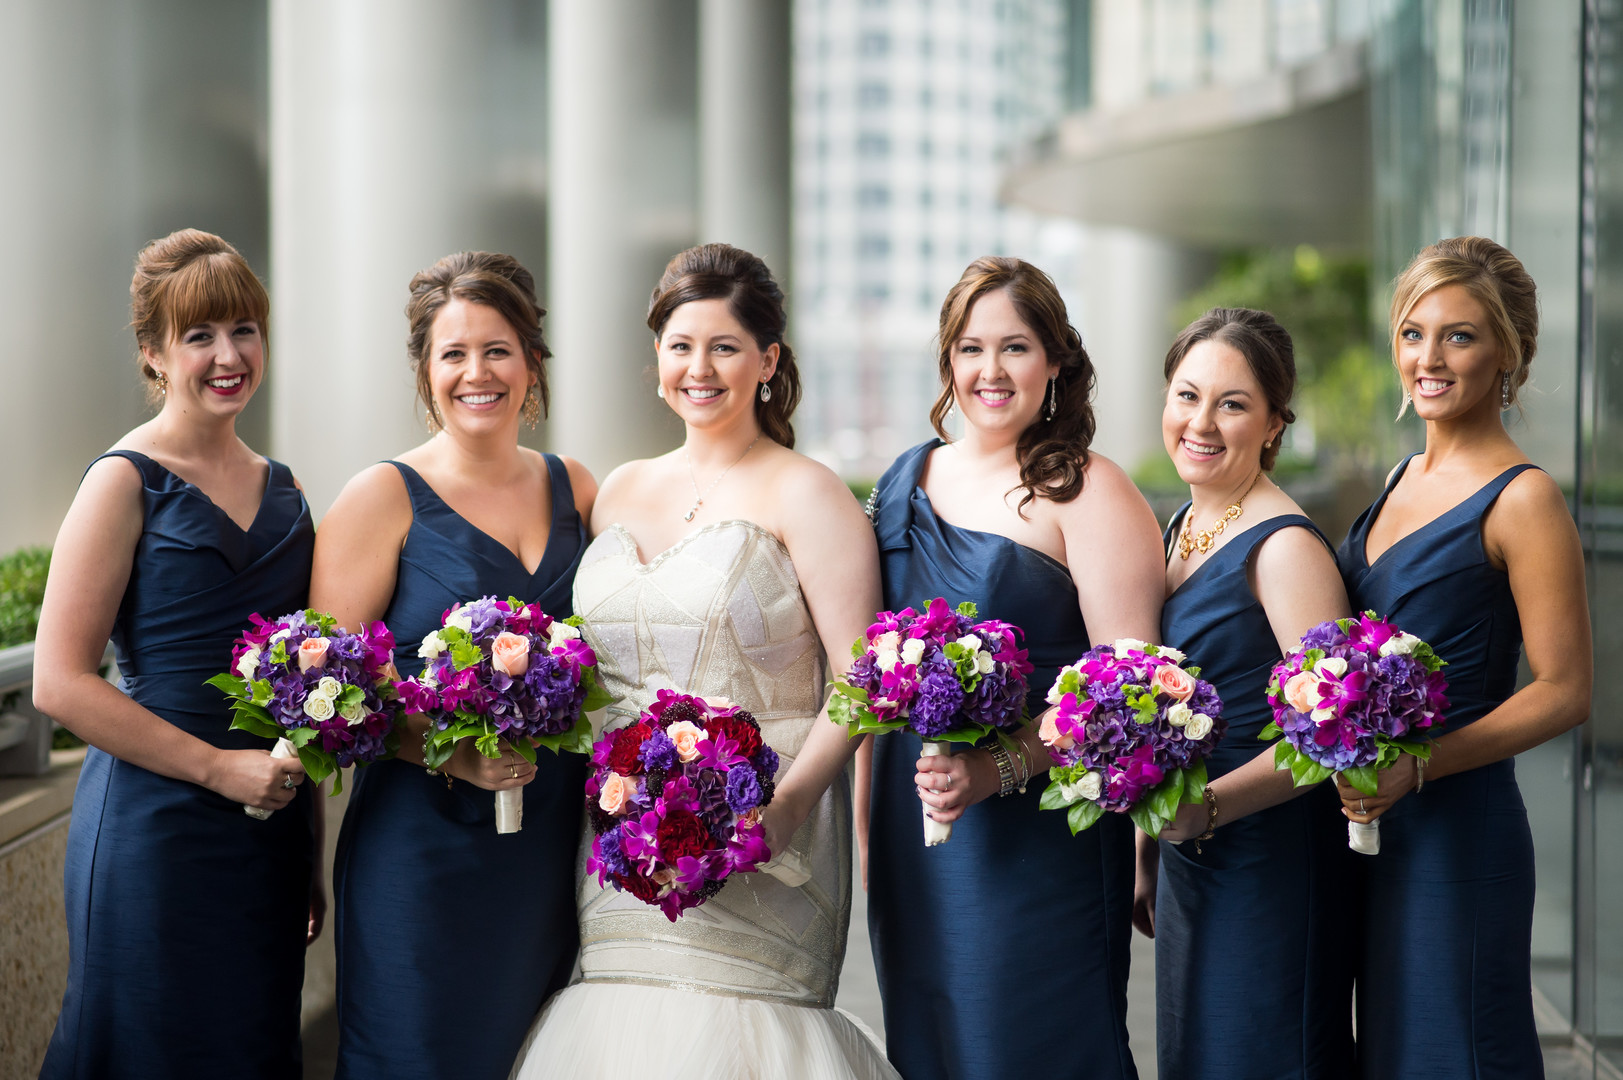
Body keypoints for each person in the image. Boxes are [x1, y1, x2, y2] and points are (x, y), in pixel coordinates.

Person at [510, 243, 898, 1080]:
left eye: (724, 347)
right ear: (656, 360)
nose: (700, 367)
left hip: (765, 841)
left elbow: (862, 680)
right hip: (618, 844)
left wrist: (789, 804)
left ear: (767, 361)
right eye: (681, 345)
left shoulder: (809, 492)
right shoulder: (616, 490)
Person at [864, 256, 1163, 1080]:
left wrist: (999, 767)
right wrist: (863, 825)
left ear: (1056, 362)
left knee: (1027, 1046)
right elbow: (864, 672)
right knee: (931, 1042)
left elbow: (1127, 692)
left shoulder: (1089, 490)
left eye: (1015, 348)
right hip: (911, 832)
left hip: (1041, 834)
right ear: (946, 361)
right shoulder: (903, 480)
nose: (989, 371)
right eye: (969, 348)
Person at [34, 229, 316, 1079]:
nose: (228, 356)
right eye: (199, 336)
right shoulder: (122, 480)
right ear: (155, 354)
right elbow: (57, 682)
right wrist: (215, 770)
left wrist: (303, 845)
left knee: (253, 1045)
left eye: (243, 329)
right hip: (153, 827)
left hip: (266, 829)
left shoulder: (289, 490)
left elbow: (309, 685)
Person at [312, 251, 595, 1080]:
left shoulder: (573, 486)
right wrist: (448, 749)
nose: (478, 373)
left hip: (546, 850)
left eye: (498, 349)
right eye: (453, 353)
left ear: (532, 362)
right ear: (424, 370)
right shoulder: (381, 496)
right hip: (421, 850)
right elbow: (324, 703)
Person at [1335, 236, 1589, 1079]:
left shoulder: (1524, 497)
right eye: (1413, 332)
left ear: (1506, 356)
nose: (1428, 358)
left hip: (1458, 834)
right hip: (1367, 824)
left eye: (1460, 335)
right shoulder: (1401, 473)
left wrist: (1420, 767)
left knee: (1458, 1050)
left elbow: (1564, 691)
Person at [1142, 308, 1355, 1079]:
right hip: (1191, 852)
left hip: (1267, 856)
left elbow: (1332, 738)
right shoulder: (1182, 524)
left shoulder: (1284, 546)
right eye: (1186, 395)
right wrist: (1148, 844)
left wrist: (1208, 808)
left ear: (1272, 425)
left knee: (1262, 1050)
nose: (1201, 422)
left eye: (1231, 404)